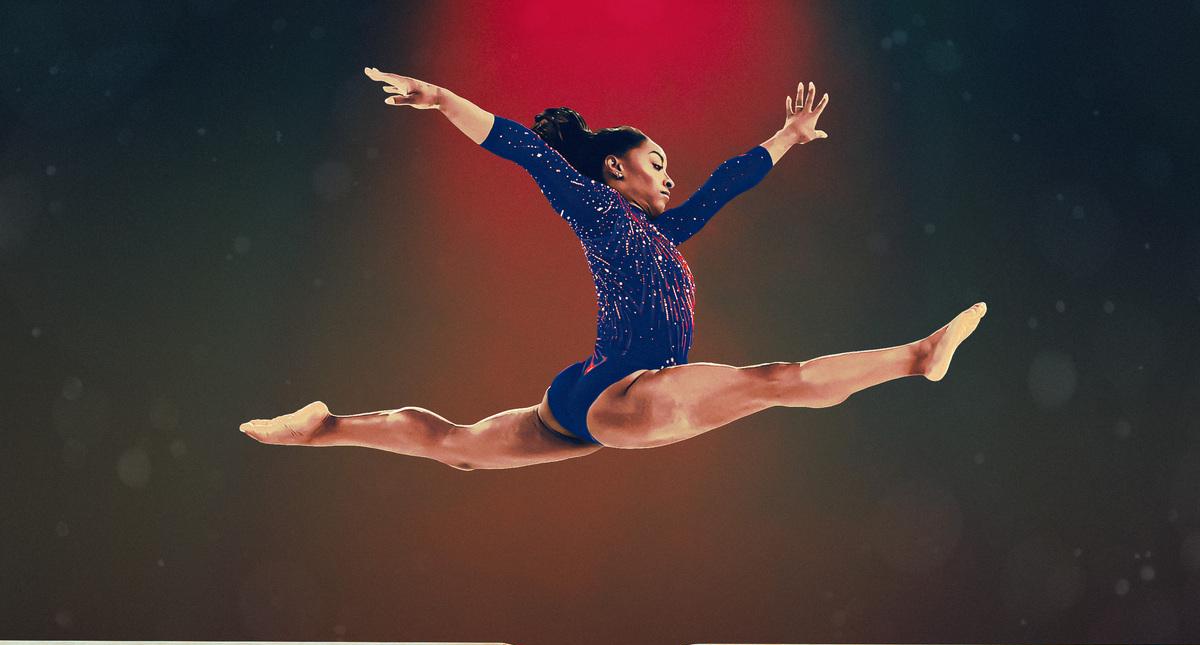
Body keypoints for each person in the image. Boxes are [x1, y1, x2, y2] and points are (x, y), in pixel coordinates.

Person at [239, 69, 986, 470]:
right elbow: (523, 149)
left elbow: (725, 183)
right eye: (654, 162)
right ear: (613, 170)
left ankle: (324, 428)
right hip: (629, 393)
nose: (668, 175)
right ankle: (916, 357)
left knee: (457, 448)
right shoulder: (596, 207)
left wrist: (787, 136)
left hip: (583, 395)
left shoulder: (663, 233)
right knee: (775, 381)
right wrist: (443, 100)